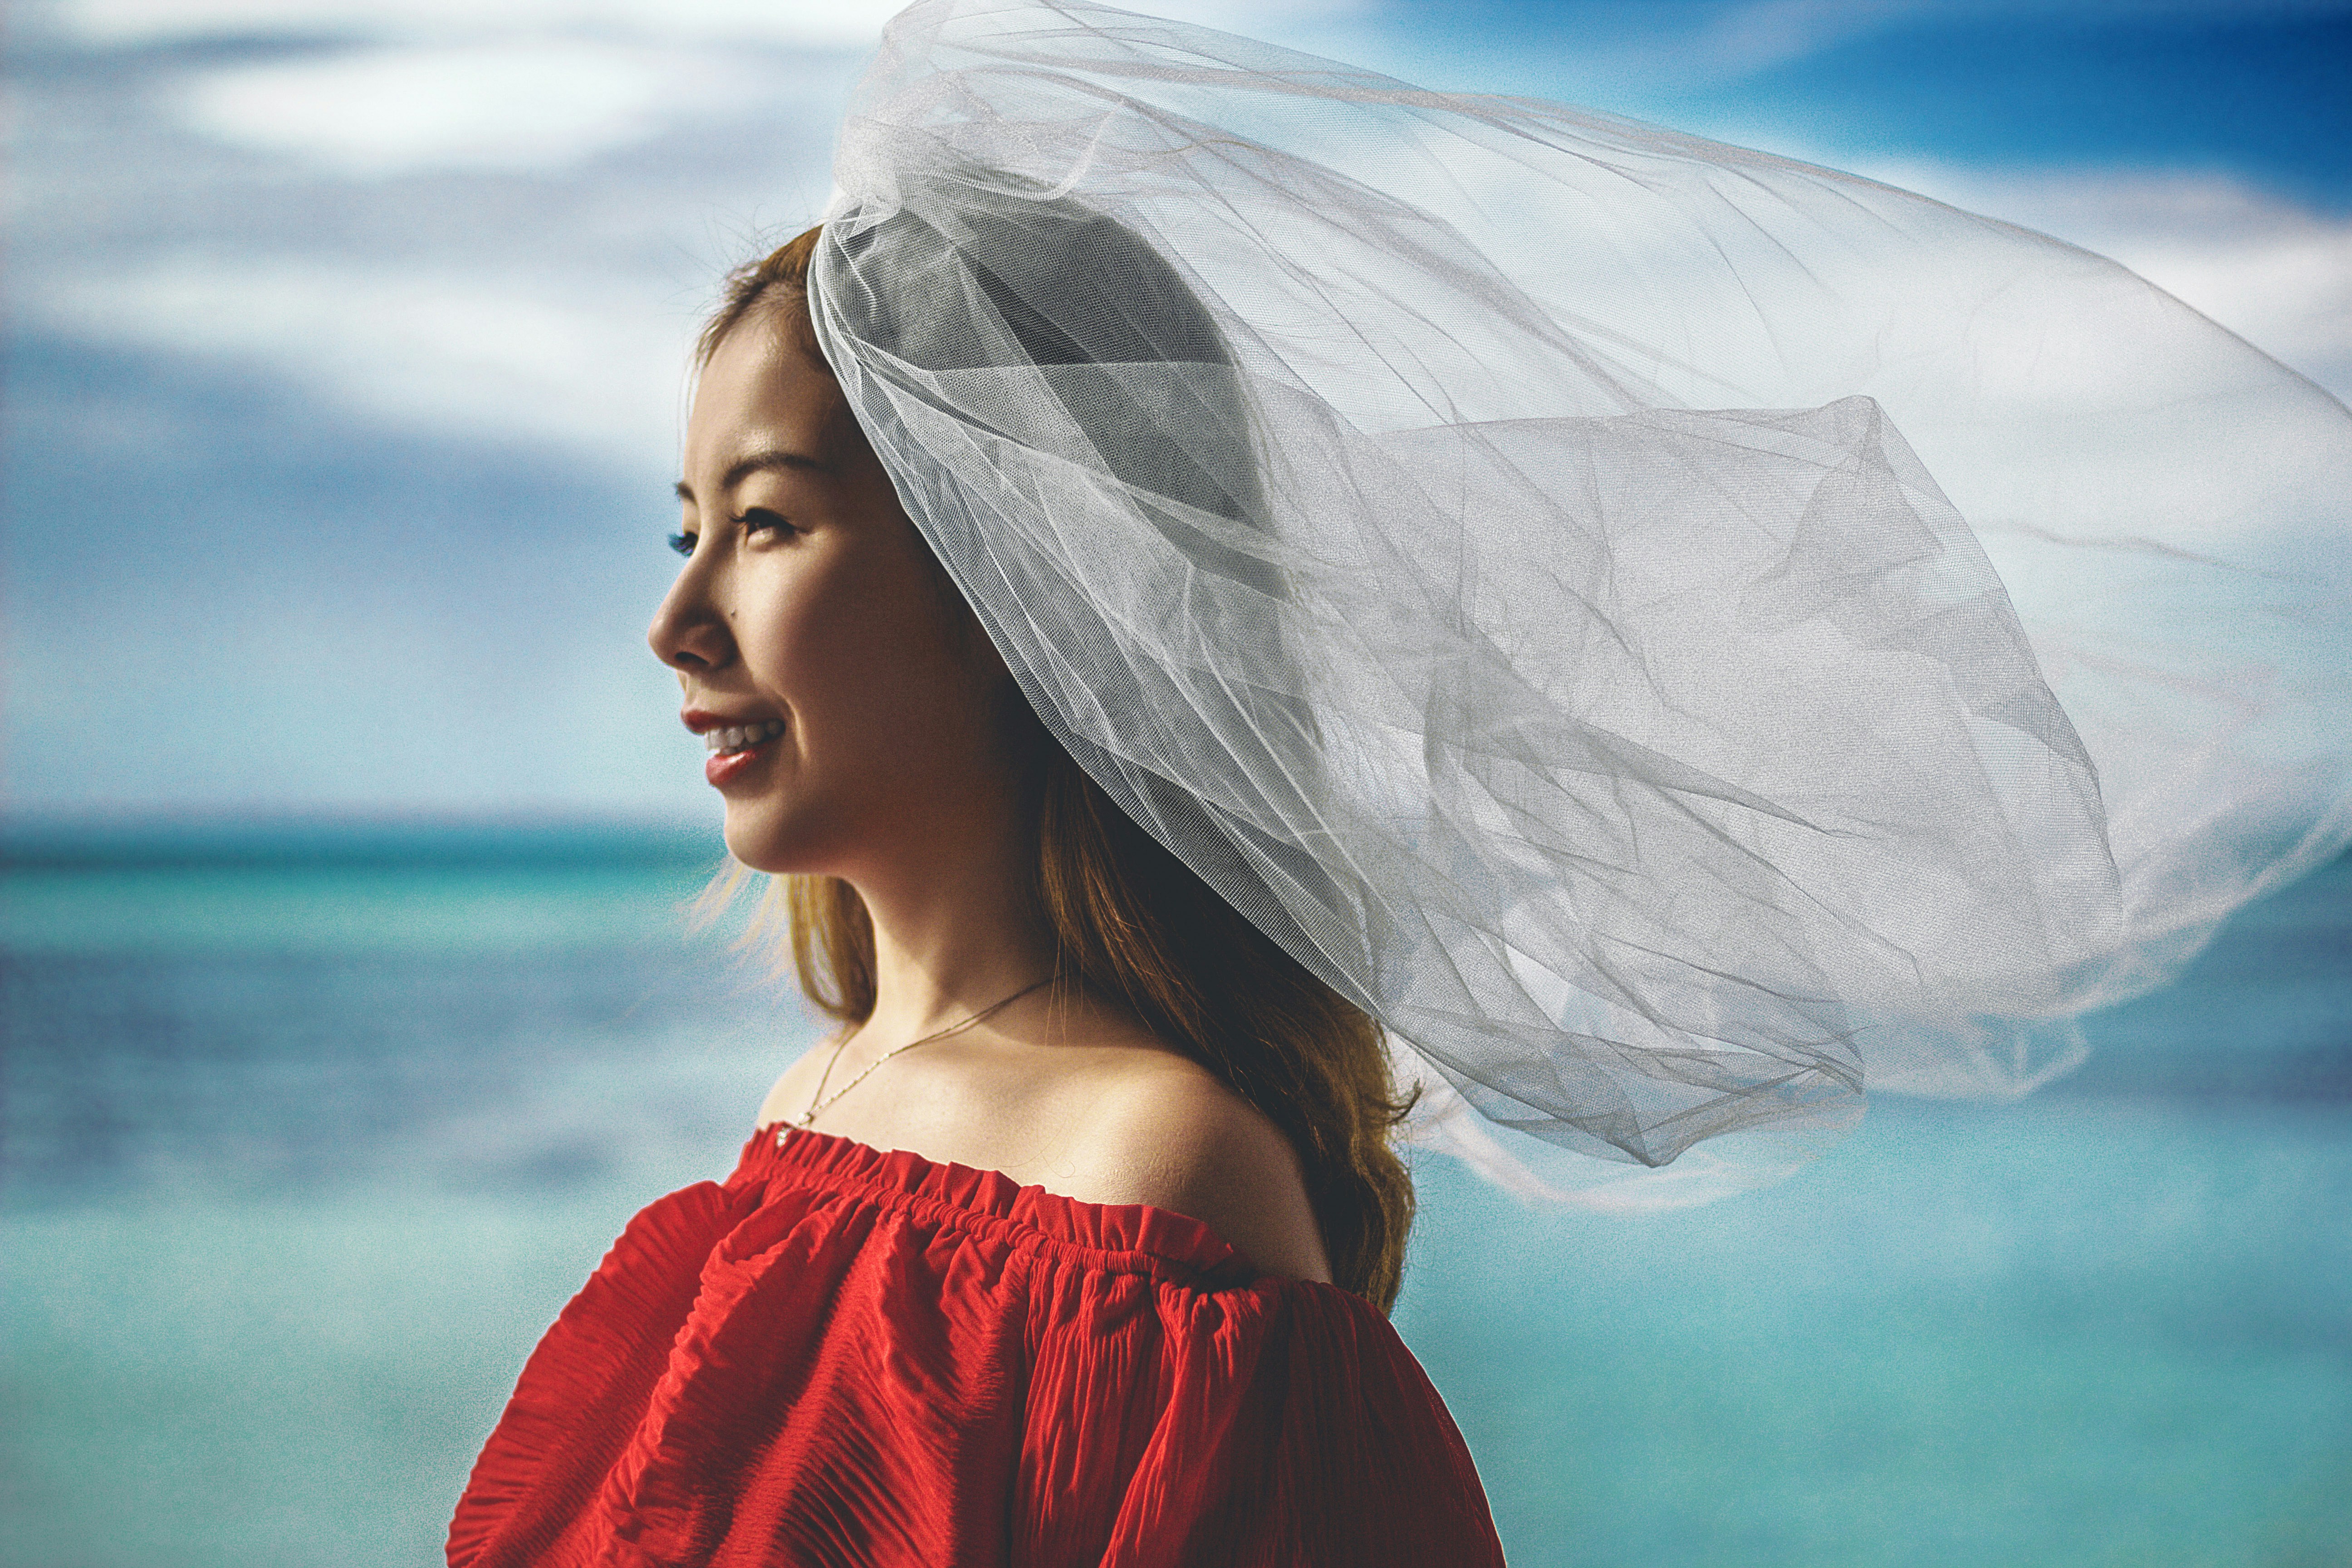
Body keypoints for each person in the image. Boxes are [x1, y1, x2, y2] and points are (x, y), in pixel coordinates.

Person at [451, 0, 2352, 1560]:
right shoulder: (814, 1110)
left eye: (766, 526)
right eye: (687, 529)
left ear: (1024, 564)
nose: (676, 622)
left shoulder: (1157, 1184)